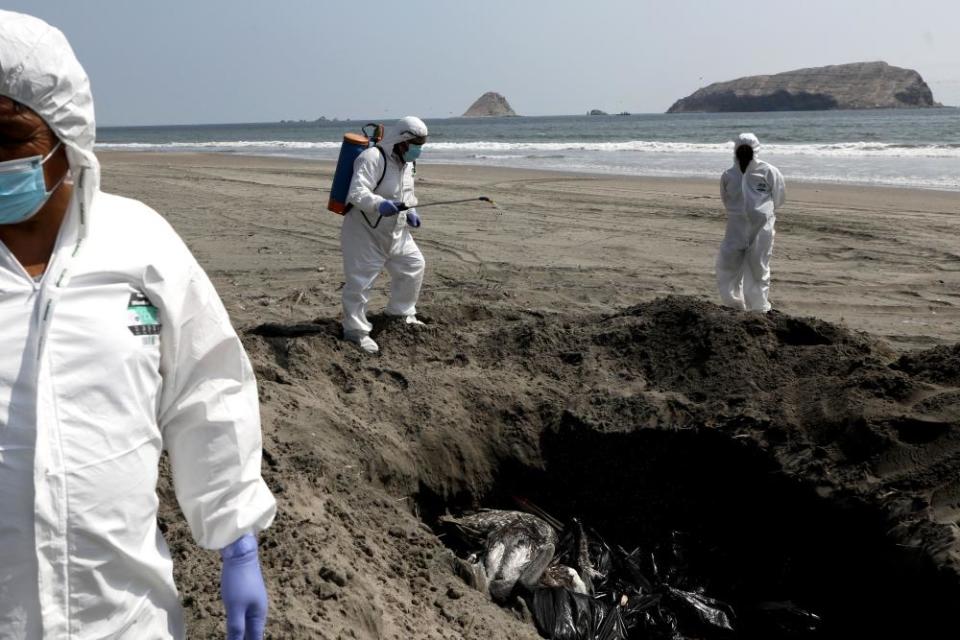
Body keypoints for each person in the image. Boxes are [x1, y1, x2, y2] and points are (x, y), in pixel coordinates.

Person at [0, 11, 275, 640]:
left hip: (124, 616)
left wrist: (236, 542)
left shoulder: (141, 243)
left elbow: (207, 390)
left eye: (4, 134)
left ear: (64, 130)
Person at [341, 116, 429, 353]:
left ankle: (401, 313)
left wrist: (412, 210)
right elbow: (356, 193)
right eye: (416, 143)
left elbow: (407, 193)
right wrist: (379, 204)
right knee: (360, 282)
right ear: (402, 140)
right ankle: (356, 332)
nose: (418, 149)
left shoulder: (407, 164)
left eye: (422, 144)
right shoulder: (372, 158)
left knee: (413, 266)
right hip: (364, 232)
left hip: (397, 231)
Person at [716, 132, 786, 312]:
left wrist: (762, 214)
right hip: (735, 228)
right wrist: (738, 214)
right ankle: (734, 304)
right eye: (742, 149)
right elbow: (726, 199)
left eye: (748, 149)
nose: (745, 153)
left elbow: (778, 197)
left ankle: (758, 307)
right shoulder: (729, 175)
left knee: (759, 267)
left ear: (755, 150)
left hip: (761, 229)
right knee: (729, 264)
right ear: (736, 150)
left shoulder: (768, 171)